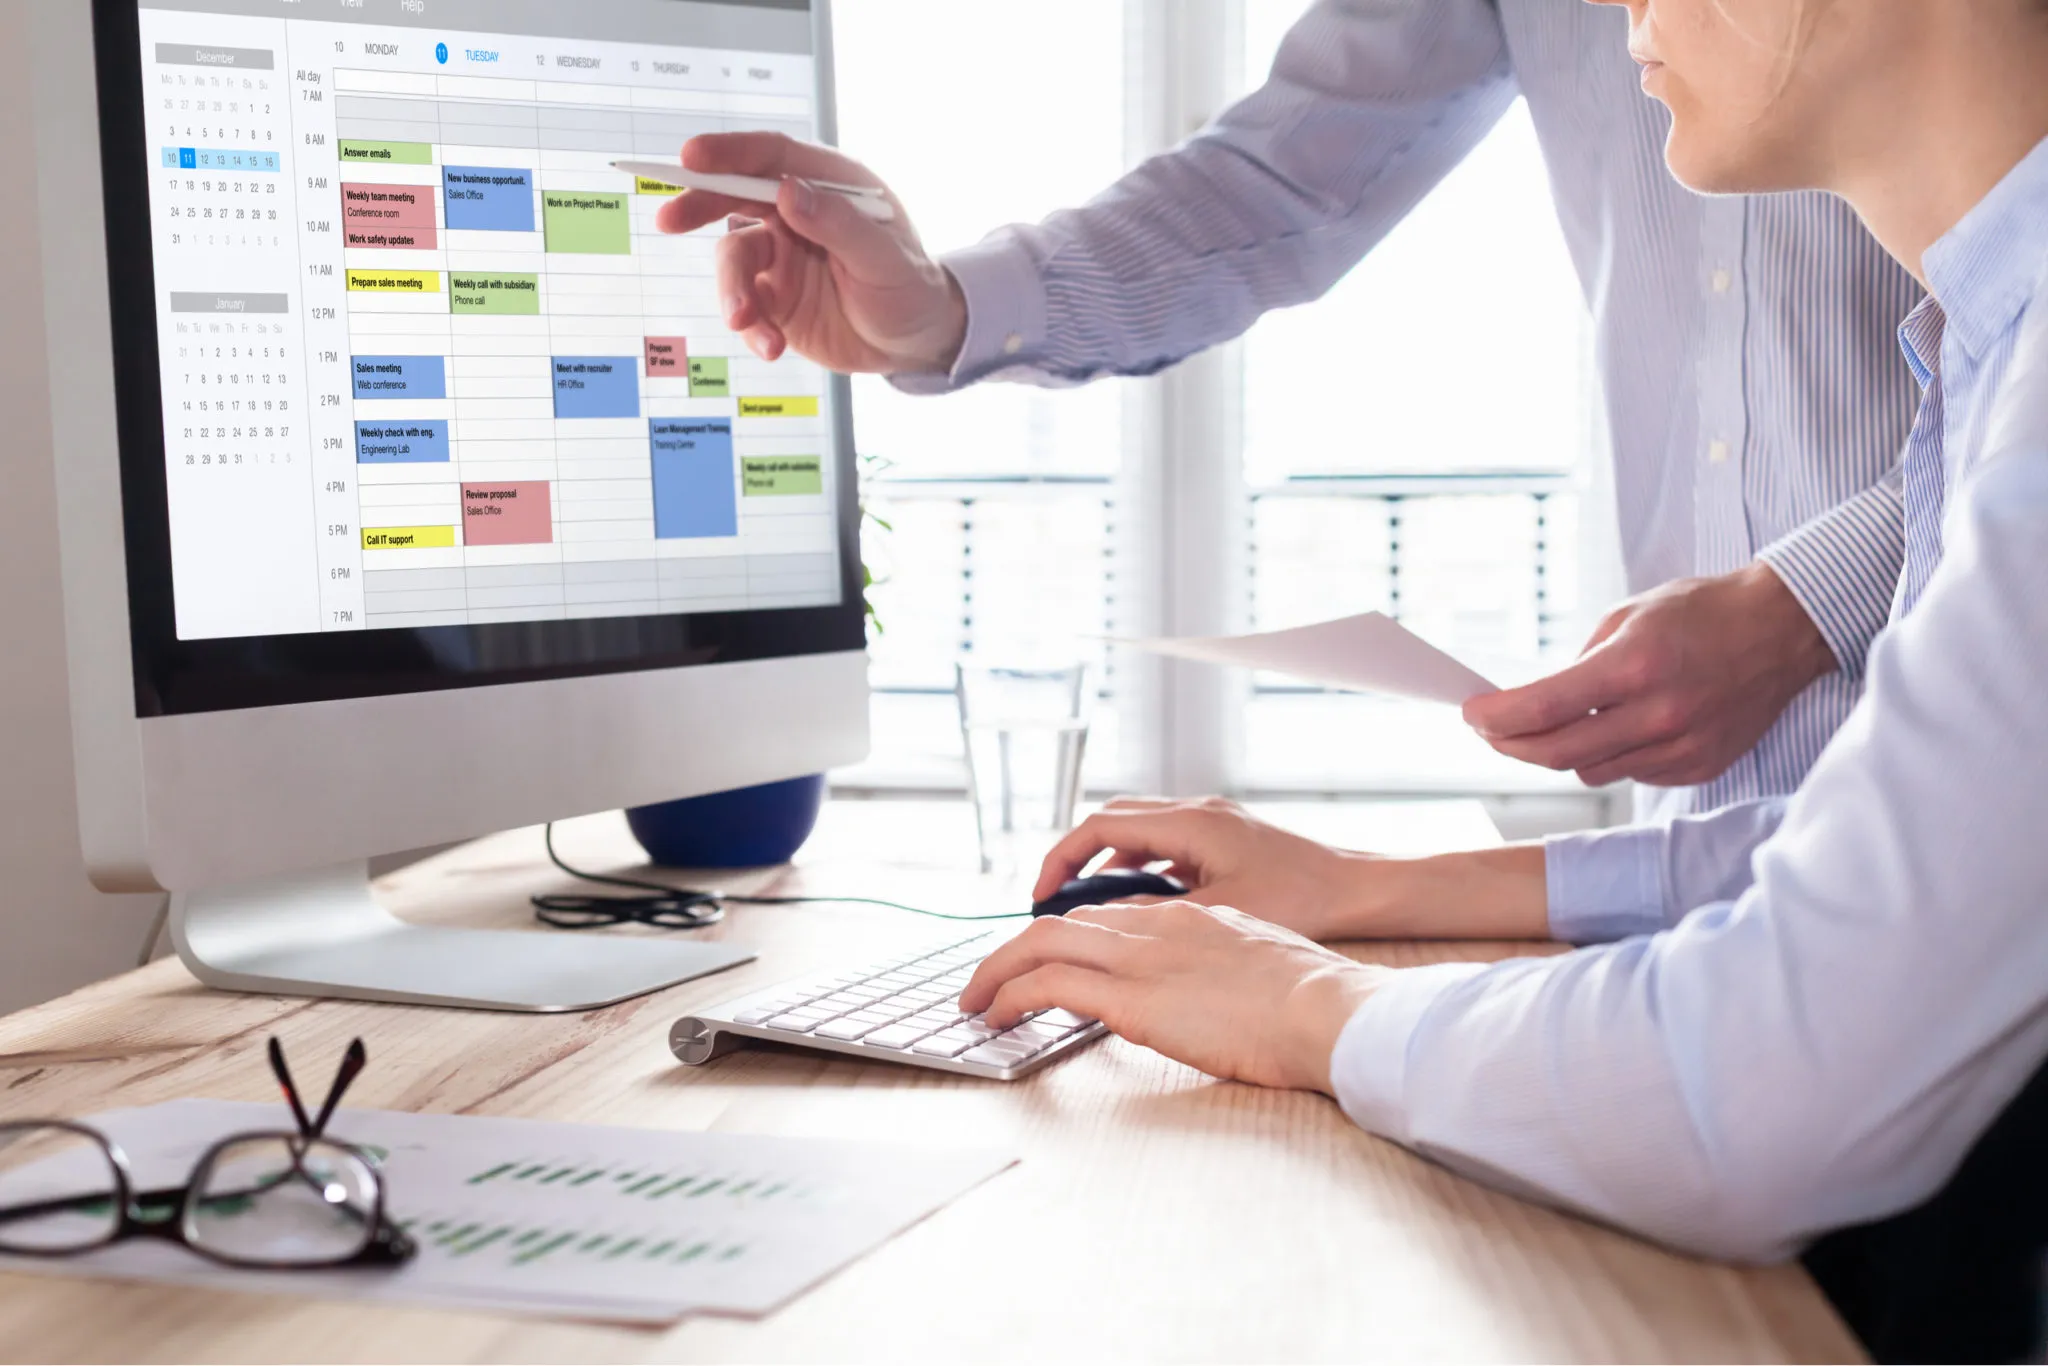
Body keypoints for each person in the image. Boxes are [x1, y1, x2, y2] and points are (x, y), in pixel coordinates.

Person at [946, 0, 2048, 1357]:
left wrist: (1307, 1005)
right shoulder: (1988, 349)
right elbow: (1904, 860)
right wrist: (1374, 891)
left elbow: (1768, 1077)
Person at [658, 0, 1922, 819]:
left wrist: (1811, 600)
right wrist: (939, 309)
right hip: (1701, 824)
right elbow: (1281, 183)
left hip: (1976, 768)